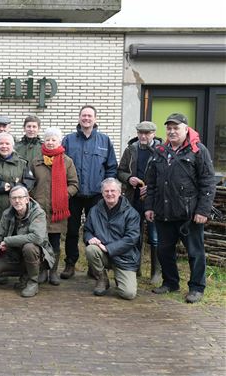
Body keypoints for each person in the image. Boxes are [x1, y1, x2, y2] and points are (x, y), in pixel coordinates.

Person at [145, 113, 216, 304]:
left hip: (189, 214)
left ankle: (196, 287)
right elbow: (151, 183)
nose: (172, 131)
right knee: (164, 251)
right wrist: (149, 207)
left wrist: (203, 211)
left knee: (195, 252)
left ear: (186, 129)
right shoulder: (159, 151)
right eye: (169, 128)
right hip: (163, 212)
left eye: (176, 128)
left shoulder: (198, 150)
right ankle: (171, 282)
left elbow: (208, 183)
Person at [61, 105, 118, 279]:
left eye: (90, 116)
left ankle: (95, 266)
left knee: (96, 230)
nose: (86, 118)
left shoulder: (104, 141)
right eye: (83, 116)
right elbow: (60, 167)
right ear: (79, 118)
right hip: (74, 195)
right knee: (71, 230)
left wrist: (106, 190)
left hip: (96, 195)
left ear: (95, 119)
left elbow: (111, 168)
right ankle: (70, 263)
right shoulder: (68, 140)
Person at [0, 186, 54, 297]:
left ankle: (33, 282)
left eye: (20, 197)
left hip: (39, 255)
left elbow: (37, 237)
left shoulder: (38, 213)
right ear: (10, 200)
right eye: (14, 198)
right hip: (16, 255)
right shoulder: (7, 214)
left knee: (29, 247)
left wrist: (8, 241)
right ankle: (25, 274)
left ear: (27, 199)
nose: (17, 201)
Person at [30, 127, 79, 285]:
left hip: (57, 210)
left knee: (55, 243)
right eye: (48, 139)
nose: (50, 142)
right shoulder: (36, 161)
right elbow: (29, 183)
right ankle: (42, 271)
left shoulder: (67, 161)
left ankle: (53, 272)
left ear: (59, 141)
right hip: (39, 209)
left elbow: (74, 184)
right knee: (40, 241)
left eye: (54, 140)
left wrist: (64, 194)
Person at [117, 121, 162, 285]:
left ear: (153, 134)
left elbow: (165, 175)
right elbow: (120, 171)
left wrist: (151, 187)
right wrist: (129, 178)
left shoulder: (161, 151)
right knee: (134, 235)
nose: (143, 136)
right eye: (140, 133)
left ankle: (156, 272)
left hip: (153, 201)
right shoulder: (131, 149)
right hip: (133, 199)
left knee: (155, 237)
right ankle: (135, 268)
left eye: (147, 133)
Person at [84, 178, 140, 300]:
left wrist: (109, 248)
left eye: (113, 191)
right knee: (91, 249)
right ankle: (102, 278)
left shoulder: (131, 213)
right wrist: (90, 238)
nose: (110, 194)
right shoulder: (94, 211)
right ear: (102, 193)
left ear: (120, 192)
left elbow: (131, 238)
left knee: (128, 294)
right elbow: (87, 230)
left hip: (124, 257)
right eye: (106, 191)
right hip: (102, 254)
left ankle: (120, 277)